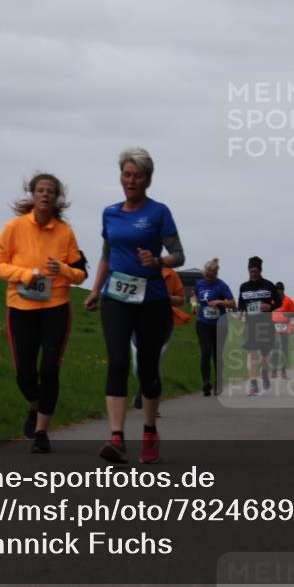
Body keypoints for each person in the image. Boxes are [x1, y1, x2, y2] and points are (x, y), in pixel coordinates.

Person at [84, 148, 184, 464]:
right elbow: (106, 254)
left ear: (147, 179)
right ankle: (116, 437)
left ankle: (150, 430)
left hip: (152, 299)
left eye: (137, 175)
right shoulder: (110, 213)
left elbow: (179, 255)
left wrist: (158, 261)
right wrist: (95, 289)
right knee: (116, 363)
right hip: (115, 298)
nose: (131, 180)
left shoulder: (159, 212)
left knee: (148, 369)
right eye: (126, 174)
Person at [0, 173, 88, 453]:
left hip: (56, 307)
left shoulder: (65, 232)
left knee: (49, 369)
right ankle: (35, 406)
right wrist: (24, 274)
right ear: (32, 195)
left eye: (50, 191)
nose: (45, 195)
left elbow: (81, 275)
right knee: (24, 373)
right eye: (40, 190)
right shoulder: (14, 227)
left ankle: (42, 433)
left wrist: (64, 270)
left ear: (57, 198)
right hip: (20, 307)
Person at [132, 267, 192, 409]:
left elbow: (181, 300)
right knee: (137, 366)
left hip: (163, 324)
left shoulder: (171, 274)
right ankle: (143, 388)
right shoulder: (136, 269)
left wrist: (165, 297)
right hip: (138, 322)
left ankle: (152, 403)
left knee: (156, 364)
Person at [237, 256, 281, 396]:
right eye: (251, 271)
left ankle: (264, 372)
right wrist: (240, 314)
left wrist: (270, 306)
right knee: (251, 355)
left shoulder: (268, 285)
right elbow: (241, 306)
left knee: (264, 356)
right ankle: (253, 385)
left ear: (260, 270)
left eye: (256, 271)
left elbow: (278, 302)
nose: (253, 274)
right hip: (250, 324)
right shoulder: (244, 287)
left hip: (266, 324)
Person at [193, 258, 235, 396]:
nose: (208, 279)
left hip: (219, 324)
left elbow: (233, 303)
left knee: (217, 354)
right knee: (205, 352)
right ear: (204, 273)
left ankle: (218, 382)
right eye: (206, 276)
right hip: (203, 322)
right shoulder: (199, 284)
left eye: (211, 277)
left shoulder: (221, 285)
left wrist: (220, 301)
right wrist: (194, 305)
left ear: (216, 275)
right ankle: (206, 382)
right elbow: (194, 296)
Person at [271, 282, 294, 379]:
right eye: (276, 290)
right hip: (274, 326)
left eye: (279, 290)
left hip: (286, 327)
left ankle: (283, 371)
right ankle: (274, 371)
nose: (278, 292)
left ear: (283, 290)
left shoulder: (288, 300)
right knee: (275, 347)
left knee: (284, 349)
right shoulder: (272, 300)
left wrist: (288, 315)